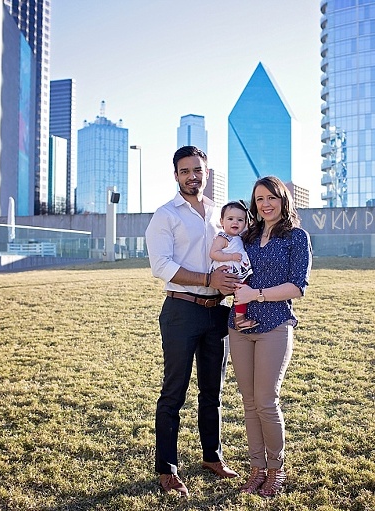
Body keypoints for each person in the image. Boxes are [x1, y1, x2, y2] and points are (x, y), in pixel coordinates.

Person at [144, 146, 241, 497]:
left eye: (198, 170)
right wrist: (208, 279)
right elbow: (162, 266)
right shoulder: (165, 215)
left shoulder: (221, 214)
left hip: (218, 312)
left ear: (207, 172)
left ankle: (212, 456)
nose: (192, 176)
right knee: (174, 393)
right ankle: (167, 469)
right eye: (185, 171)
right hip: (181, 311)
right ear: (176, 175)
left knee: (212, 392)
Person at [228, 175, 312, 497]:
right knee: (249, 404)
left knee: (265, 402)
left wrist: (257, 295)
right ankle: (256, 469)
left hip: (274, 325)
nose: (265, 204)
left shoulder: (296, 237)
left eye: (271, 198)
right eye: (260, 199)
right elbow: (228, 264)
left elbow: (297, 287)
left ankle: (275, 469)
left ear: (283, 200)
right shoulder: (245, 236)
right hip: (239, 328)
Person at [209, 200, 257, 331]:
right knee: (241, 291)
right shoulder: (223, 237)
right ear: (222, 221)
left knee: (242, 291)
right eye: (230, 218)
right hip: (227, 272)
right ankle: (240, 320)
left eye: (240, 220)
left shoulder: (240, 237)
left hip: (237, 271)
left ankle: (240, 318)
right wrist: (231, 257)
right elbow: (213, 253)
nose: (235, 222)